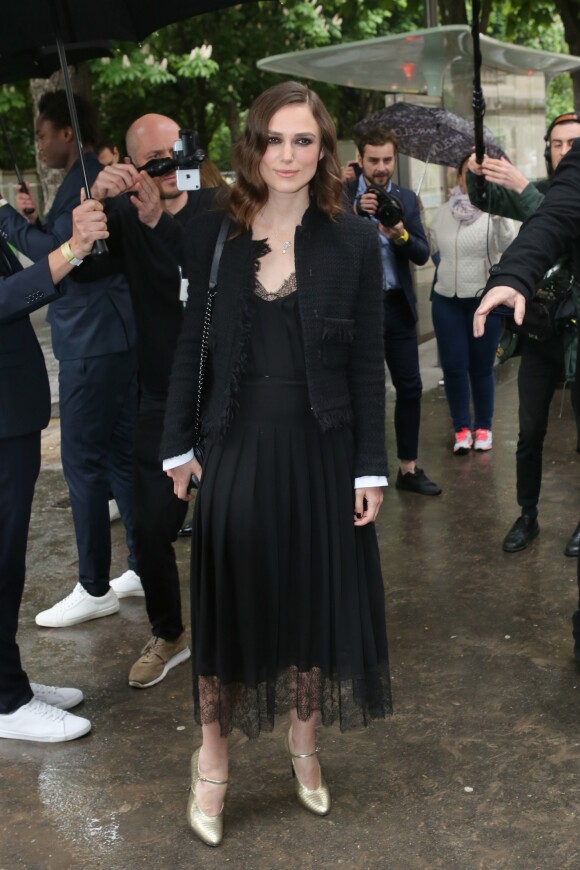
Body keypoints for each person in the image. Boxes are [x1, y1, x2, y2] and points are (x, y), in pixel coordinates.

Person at [161, 81, 392, 846]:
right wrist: (178, 445)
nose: (287, 155)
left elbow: (366, 364)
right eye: (273, 139)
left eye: (303, 140)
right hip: (235, 442)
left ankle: (303, 743)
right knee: (229, 606)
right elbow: (190, 347)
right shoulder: (214, 232)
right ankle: (214, 760)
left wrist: (369, 467)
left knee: (312, 602)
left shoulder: (354, 241)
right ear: (252, 146)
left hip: (322, 448)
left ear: (323, 149)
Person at [86, 113, 221, 688]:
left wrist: (162, 217)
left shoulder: (221, 208)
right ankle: (170, 631)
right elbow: (79, 269)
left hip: (225, 391)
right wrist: (92, 201)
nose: (171, 171)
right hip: (161, 395)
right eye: (156, 164)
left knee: (235, 522)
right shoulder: (122, 215)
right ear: (134, 168)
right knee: (147, 526)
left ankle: (244, 629)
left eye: (178, 156)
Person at [0, 91, 140, 628]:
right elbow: (60, 242)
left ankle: (93, 584)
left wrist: (9, 220)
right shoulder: (85, 175)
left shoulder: (92, 179)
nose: (38, 143)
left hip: (91, 341)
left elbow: (61, 257)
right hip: (114, 337)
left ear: (65, 131)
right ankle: (143, 565)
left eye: (41, 133)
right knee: (122, 459)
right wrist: (38, 220)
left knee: (84, 465)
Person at [0, 196, 108, 742]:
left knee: (9, 557)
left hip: (10, 413)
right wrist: (71, 248)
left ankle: (7, 680)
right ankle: (6, 702)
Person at [473, 136, 580, 663]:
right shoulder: (546, 187)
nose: (566, 149)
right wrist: (513, 275)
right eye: (558, 143)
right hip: (542, 338)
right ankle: (527, 513)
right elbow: (548, 219)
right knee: (530, 433)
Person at [344, 125, 441, 495]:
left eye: (387, 160)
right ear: (360, 159)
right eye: (374, 160)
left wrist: (398, 233)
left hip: (396, 306)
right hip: (357, 312)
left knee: (410, 388)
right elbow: (326, 239)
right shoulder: (340, 196)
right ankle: (356, 472)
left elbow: (421, 252)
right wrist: (355, 211)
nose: (381, 167)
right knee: (360, 393)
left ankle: (408, 469)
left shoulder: (404, 198)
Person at [429, 154, 515, 453]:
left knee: (481, 368)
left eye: (481, 173)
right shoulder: (441, 213)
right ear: (459, 177)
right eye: (469, 172)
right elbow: (432, 249)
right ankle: (461, 428)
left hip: (483, 301)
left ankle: (484, 428)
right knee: (453, 368)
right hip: (446, 300)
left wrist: (501, 212)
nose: (474, 178)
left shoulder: (494, 213)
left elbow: (507, 246)